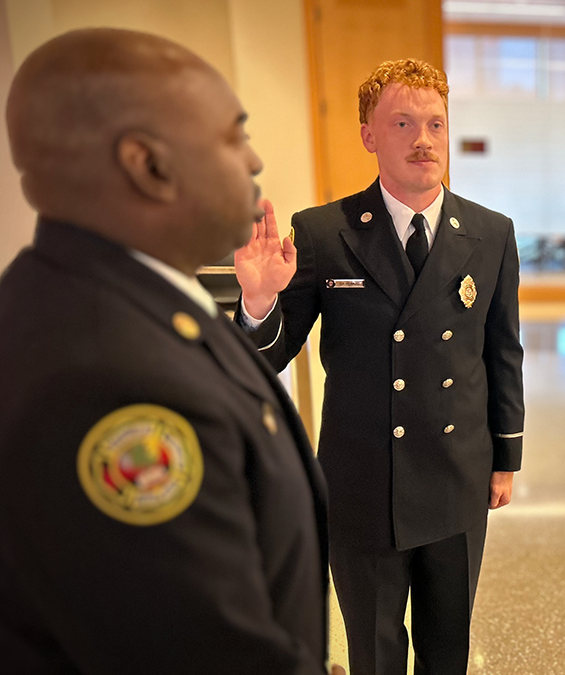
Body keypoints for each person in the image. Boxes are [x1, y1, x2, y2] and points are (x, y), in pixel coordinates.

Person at [0, 29, 342, 675]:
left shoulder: (129, 294)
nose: (255, 160)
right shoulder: (102, 376)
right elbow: (203, 648)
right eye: (233, 136)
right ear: (149, 165)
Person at [233, 58, 524, 675]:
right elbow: (272, 354)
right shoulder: (324, 232)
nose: (424, 140)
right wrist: (259, 303)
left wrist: (506, 457)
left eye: (436, 125)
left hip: (456, 472)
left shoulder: (492, 233)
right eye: (403, 123)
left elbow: (502, 350)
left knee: (448, 648)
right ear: (369, 136)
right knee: (374, 651)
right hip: (363, 478)